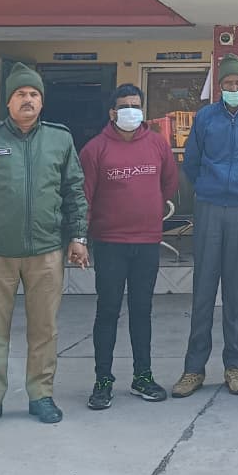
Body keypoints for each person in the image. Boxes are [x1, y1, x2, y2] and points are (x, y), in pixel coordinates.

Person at [0, 63, 89, 431]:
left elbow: (74, 192)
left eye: (34, 94)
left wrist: (78, 237)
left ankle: (41, 395)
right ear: (8, 101)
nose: (28, 100)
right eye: (21, 94)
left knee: (44, 330)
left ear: (42, 102)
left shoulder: (60, 139)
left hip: (46, 252)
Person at [171, 55, 238, 398]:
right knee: (203, 289)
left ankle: (234, 367)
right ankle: (193, 369)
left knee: (234, 291)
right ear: (219, 86)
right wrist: (207, 188)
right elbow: (191, 161)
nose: (234, 87)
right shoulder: (205, 117)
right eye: (228, 83)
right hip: (210, 207)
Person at [80, 84, 179, 411]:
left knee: (142, 311)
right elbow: (84, 196)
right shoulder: (94, 150)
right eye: (124, 106)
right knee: (107, 311)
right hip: (110, 243)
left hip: (147, 242)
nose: (131, 111)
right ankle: (103, 381)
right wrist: (80, 239)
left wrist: (149, 210)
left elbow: (168, 183)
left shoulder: (157, 144)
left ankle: (143, 376)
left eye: (136, 105)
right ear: (113, 112)